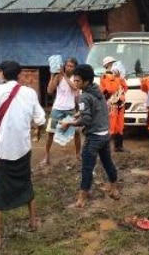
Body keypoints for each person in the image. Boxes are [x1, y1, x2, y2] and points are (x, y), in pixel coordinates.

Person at [0, 61, 46, 251]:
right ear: (19, 75)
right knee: (25, 181)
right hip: (23, 146)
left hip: (3, 148)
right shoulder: (29, 92)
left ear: (1, 73)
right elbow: (40, 118)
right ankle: (33, 221)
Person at [61, 64, 120, 209]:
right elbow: (96, 110)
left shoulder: (84, 97)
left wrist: (69, 123)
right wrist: (78, 114)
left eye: (78, 81)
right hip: (105, 134)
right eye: (74, 80)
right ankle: (115, 189)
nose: (75, 83)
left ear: (86, 81)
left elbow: (86, 119)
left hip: (94, 137)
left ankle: (82, 198)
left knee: (87, 167)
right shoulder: (97, 90)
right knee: (107, 162)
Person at [42, 57, 81, 165]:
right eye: (67, 65)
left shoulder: (76, 78)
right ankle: (47, 156)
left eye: (71, 66)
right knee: (50, 133)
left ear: (75, 68)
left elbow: (75, 88)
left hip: (70, 109)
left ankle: (78, 154)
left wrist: (64, 75)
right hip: (57, 108)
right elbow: (50, 90)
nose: (68, 68)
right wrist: (52, 75)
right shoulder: (58, 77)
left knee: (77, 132)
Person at [100, 56, 128, 152]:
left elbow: (125, 88)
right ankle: (105, 148)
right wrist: (116, 78)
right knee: (111, 126)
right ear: (107, 65)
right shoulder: (105, 77)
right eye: (112, 63)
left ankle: (118, 146)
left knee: (119, 126)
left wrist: (121, 78)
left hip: (120, 103)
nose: (114, 65)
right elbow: (111, 89)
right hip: (111, 105)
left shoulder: (117, 77)